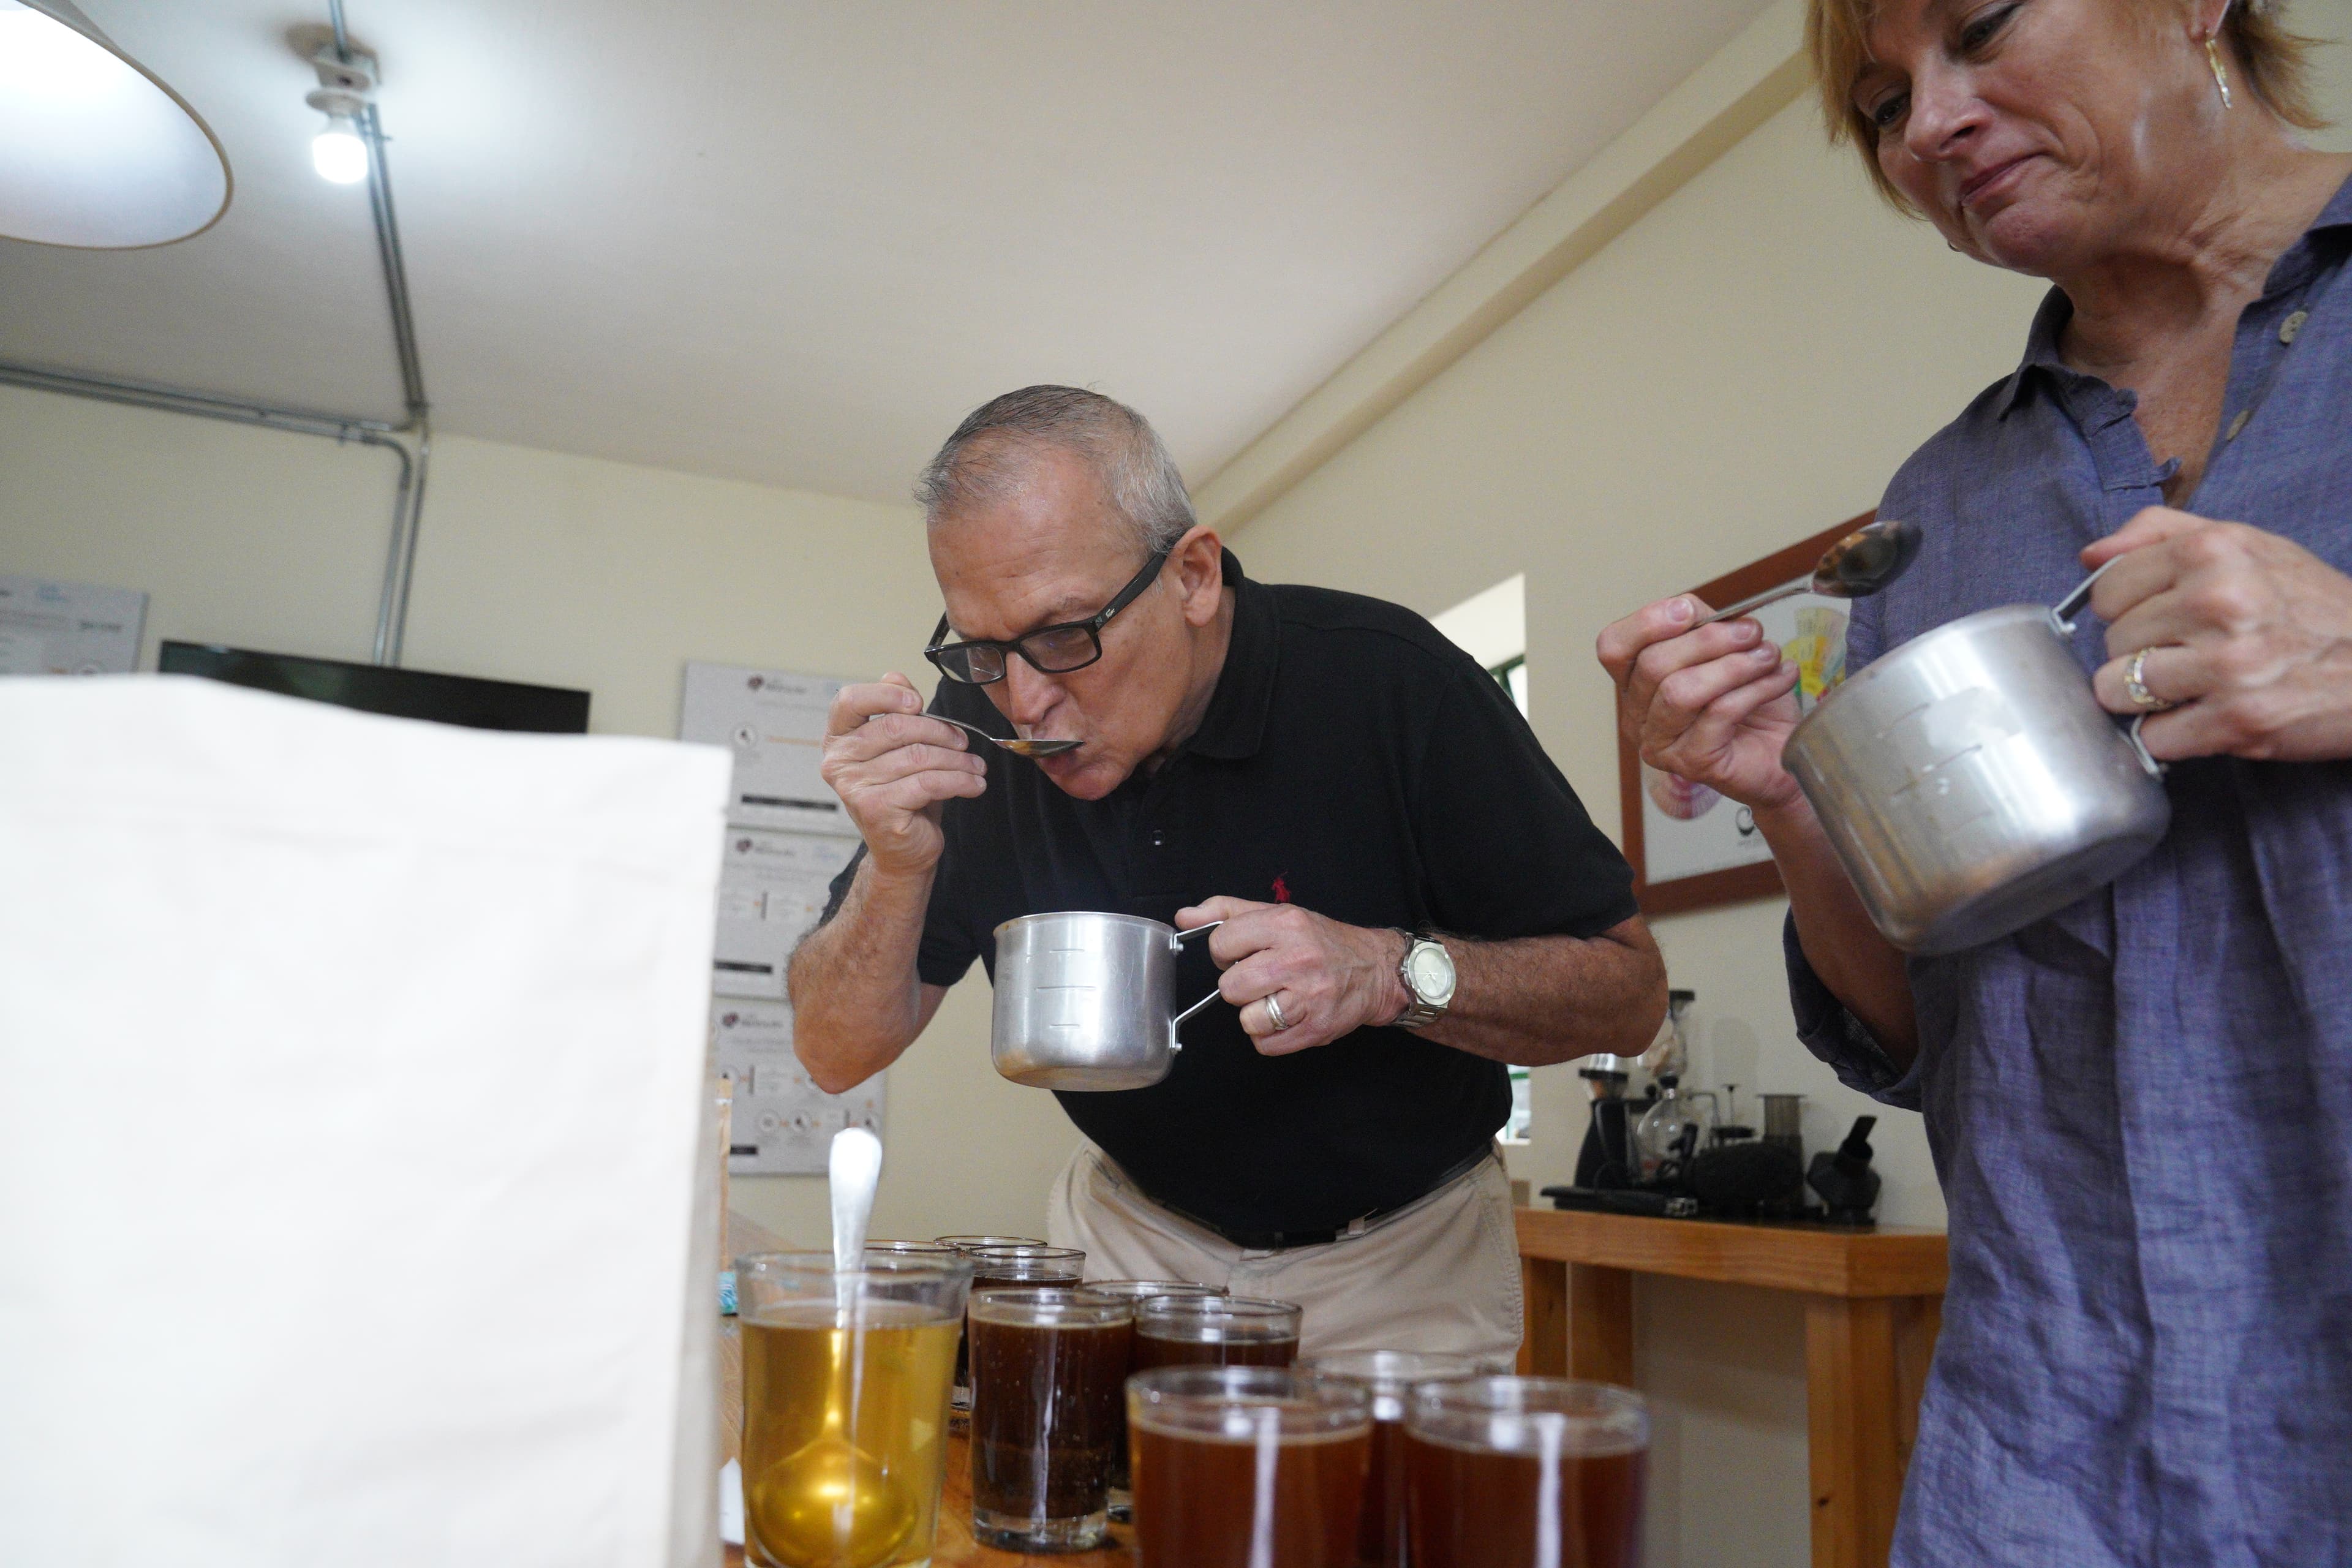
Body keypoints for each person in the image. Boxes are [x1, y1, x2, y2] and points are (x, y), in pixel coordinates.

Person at [1599, 1, 2352, 1561]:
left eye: (1984, 28)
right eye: (1882, 104)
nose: (1930, 125)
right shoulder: (1945, 501)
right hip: (2045, 1435)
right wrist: (1788, 792)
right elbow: (1914, 1020)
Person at [791, 385, 1665, 1362]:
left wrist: (1388, 972)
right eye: (983, 648)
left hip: (1402, 1264)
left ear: (1194, 576)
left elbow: (1629, 995)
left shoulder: (1390, 682)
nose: (1027, 701)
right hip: (1128, 1239)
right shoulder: (978, 723)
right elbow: (833, 1053)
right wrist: (897, 864)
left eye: (1065, 635)